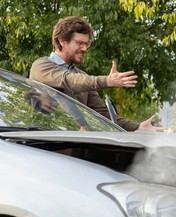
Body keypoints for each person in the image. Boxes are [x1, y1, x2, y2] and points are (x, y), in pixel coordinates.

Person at [30, 16, 164, 132]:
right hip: (42, 143)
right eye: (80, 43)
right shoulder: (41, 66)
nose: (84, 48)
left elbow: (102, 114)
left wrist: (138, 126)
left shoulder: (81, 75)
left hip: (75, 145)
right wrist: (106, 81)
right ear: (62, 41)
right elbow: (68, 80)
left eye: (86, 44)